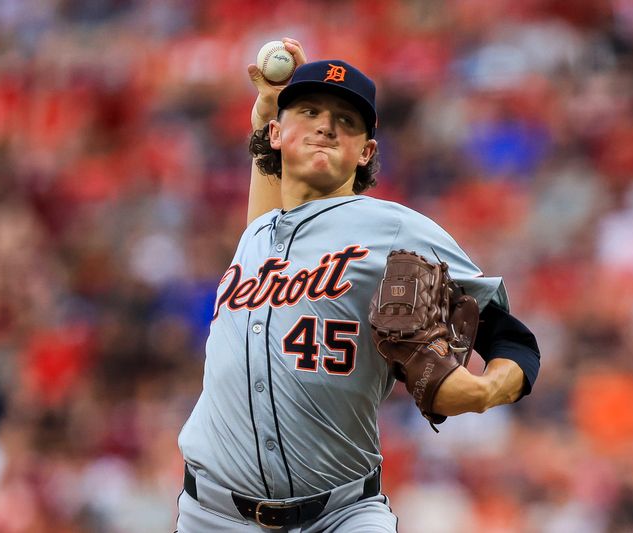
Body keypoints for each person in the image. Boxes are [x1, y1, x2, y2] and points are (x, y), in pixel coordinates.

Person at [175, 38, 540, 532]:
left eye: (346, 122)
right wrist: (265, 109)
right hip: (212, 515)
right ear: (279, 133)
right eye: (310, 112)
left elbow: (512, 338)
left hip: (340, 515)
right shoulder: (259, 233)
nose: (326, 125)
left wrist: (484, 390)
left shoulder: (394, 229)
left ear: (364, 152)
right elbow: (270, 192)